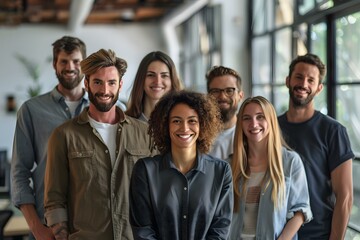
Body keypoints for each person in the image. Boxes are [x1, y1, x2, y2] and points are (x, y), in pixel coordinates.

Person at [44, 49, 156, 239]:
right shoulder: (63, 136)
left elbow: (156, 194)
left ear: (120, 85)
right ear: (86, 84)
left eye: (111, 83)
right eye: (97, 82)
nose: (105, 90)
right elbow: (55, 201)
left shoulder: (145, 134)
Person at [11, 36, 88, 240]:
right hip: (48, 228)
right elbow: (19, 173)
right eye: (63, 61)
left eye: (76, 61)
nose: (70, 67)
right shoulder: (31, 111)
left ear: (85, 64)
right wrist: (37, 228)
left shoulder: (105, 110)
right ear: (55, 64)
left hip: (94, 226)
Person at [129, 90, 234, 240]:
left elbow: (220, 229)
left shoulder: (221, 172)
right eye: (176, 121)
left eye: (192, 121)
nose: (184, 128)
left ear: (203, 125)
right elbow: (143, 231)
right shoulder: (145, 170)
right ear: (165, 125)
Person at [278, 53, 354, 239]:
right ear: (288, 80)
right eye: (299, 77)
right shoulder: (272, 128)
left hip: (317, 234)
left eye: (310, 80)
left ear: (319, 88)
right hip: (276, 232)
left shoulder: (333, 131)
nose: (303, 84)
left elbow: (344, 197)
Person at [229, 96, 312, 240]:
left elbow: (300, 211)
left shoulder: (290, 162)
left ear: (271, 120)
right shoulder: (229, 165)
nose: (253, 124)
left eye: (260, 117)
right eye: (247, 118)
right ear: (240, 124)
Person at [125, 51, 183, 122]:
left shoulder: (181, 122)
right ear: (141, 80)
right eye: (151, 75)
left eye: (164, 75)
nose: (157, 81)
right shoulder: (125, 122)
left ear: (172, 80)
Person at [206, 66, 244, 162]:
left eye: (229, 90)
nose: (222, 96)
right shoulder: (196, 134)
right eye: (215, 91)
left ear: (240, 96)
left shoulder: (249, 134)